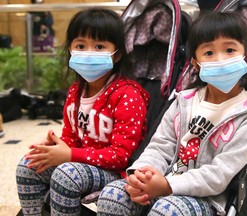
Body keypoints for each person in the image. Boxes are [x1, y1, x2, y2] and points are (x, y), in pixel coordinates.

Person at [96, 11, 247, 216]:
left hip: (207, 199)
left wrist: (167, 185)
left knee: (166, 210)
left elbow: (219, 174)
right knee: (112, 195)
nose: (220, 59)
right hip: (162, 183)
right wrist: (141, 174)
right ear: (196, 64)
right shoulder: (183, 101)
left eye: (229, 50)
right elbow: (160, 147)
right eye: (209, 53)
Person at [16, 8, 149, 216]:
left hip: (116, 172)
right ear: (70, 49)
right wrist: (55, 147)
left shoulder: (128, 95)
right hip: (81, 163)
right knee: (28, 165)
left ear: (117, 54)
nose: (89, 53)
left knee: (65, 174)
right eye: (80, 45)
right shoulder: (75, 91)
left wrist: (69, 154)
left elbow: (121, 156)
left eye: (99, 46)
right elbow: (71, 137)